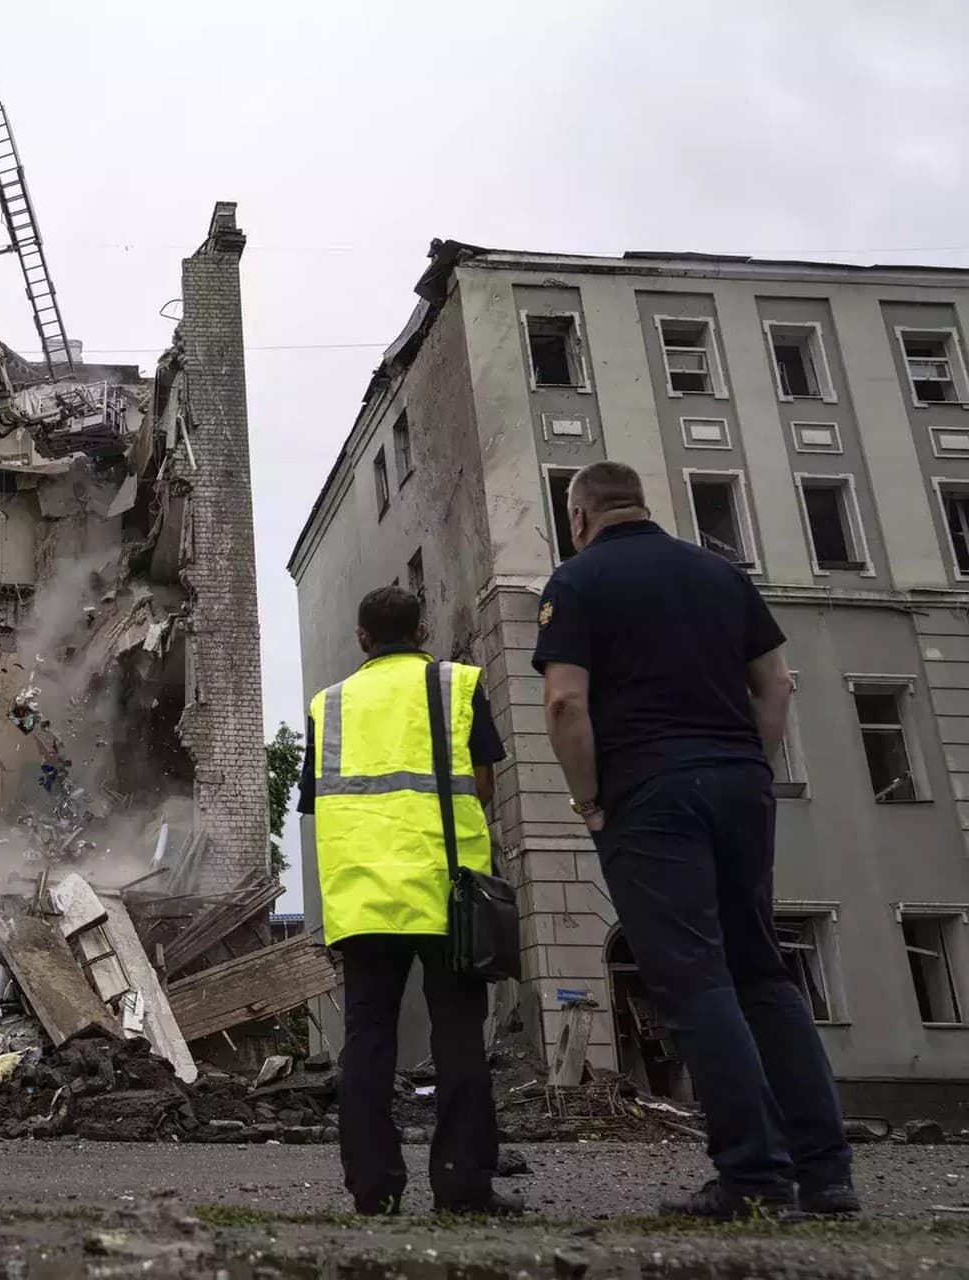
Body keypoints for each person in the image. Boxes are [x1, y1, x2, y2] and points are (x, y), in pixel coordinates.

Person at [533, 460, 856, 1219]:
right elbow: (775, 685)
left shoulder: (576, 582)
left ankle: (753, 1177)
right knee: (763, 975)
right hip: (741, 784)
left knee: (695, 981)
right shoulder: (720, 574)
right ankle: (827, 1174)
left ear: (579, 518)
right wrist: (751, 763)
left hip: (650, 793)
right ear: (643, 505)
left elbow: (563, 704)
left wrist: (589, 800)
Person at [301, 585, 521, 1216]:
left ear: (361, 640)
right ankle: (461, 1185)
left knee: (368, 1039)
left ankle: (372, 1187)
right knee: (457, 1034)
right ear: (423, 632)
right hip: (448, 893)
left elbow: (320, 801)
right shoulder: (456, 686)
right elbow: (482, 783)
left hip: (364, 899)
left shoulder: (330, 704)